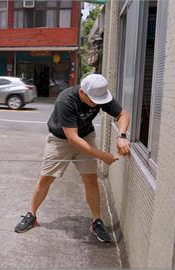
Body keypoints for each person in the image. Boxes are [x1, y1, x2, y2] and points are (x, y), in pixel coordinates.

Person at [14, 74, 131, 243]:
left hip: (86, 135)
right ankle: (31, 215)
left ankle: (97, 221)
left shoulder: (100, 95)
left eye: (100, 101)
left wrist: (121, 136)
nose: (97, 104)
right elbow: (72, 139)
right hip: (60, 139)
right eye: (93, 101)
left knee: (90, 179)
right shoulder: (66, 100)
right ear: (82, 92)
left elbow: (123, 114)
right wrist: (102, 156)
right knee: (46, 178)